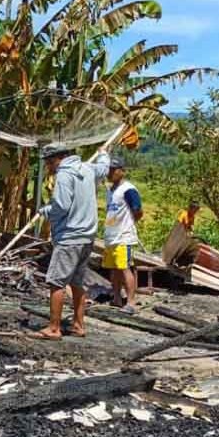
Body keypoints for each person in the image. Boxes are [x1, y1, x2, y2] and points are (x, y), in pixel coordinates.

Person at [33, 142, 110, 340]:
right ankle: (78, 325)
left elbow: (61, 205)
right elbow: (103, 169)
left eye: (48, 164)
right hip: (87, 237)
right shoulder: (87, 168)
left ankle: (54, 328)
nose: (48, 168)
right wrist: (103, 154)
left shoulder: (64, 175)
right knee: (76, 282)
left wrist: (46, 211)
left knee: (56, 281)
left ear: (55, 159)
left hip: (70, 237)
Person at [103, 156, 143, 314]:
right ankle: (117, 298)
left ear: (122, 171)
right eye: (109, 170)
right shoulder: (111, 191)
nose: (110, 173)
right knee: (114, 269)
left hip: (123, 235)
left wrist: (128, 223)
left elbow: (138, 211)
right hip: (111, 235)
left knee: (125, 267)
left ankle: (131, 302)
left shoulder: (128, 189)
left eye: (114, 170)